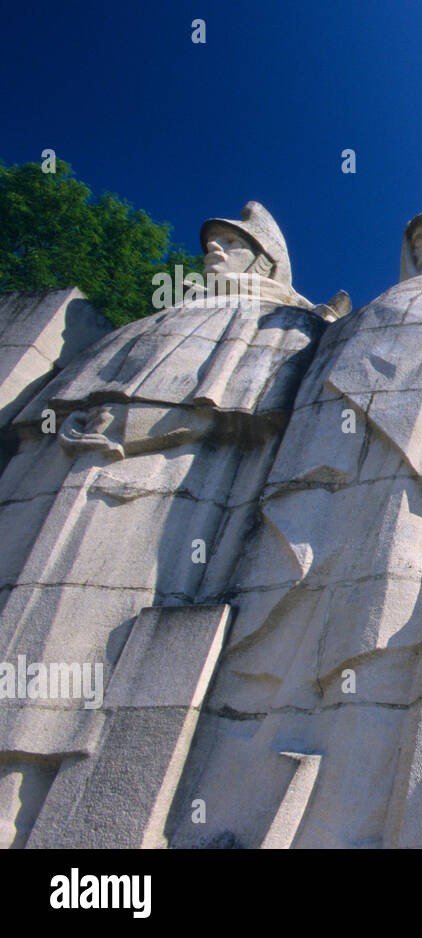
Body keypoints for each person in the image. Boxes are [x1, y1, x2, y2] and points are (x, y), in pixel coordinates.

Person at [173, 204, 422, 848]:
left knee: (391, 638)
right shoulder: (363, 317)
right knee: (286, 628)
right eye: (418, 236)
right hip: (330, 483)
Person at [0, 202, 332, 847]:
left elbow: (241, 406)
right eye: (211, 242)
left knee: (76, 654)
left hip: (157, 497)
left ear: (262, 258)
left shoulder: (278, 321)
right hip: (51, 489)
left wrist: (133, 431)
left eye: (230, 244)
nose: (213, 251)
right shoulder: (166, 314)